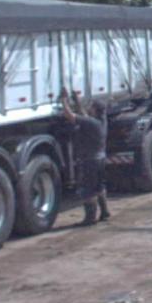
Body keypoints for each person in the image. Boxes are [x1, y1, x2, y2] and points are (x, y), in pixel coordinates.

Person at [61, 90, 111, 226]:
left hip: (90, 161)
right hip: (101, 159)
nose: (89, 108)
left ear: (95, 110)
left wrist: (64, 100)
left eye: (91, 106)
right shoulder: (101, 122)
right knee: (99, 187)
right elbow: (84, 116)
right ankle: (105, 211)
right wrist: (77, 101)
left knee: (88, 190)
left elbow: (70, 116)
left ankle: (90, 218)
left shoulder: (92, 123)